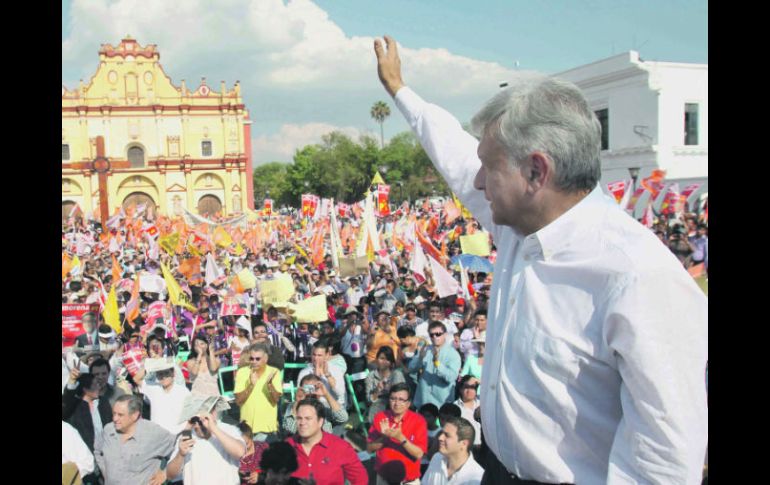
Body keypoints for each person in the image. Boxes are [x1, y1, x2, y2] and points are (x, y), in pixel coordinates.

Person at [374, 36, 708, 483]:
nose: (476, 179)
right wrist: (400, 89)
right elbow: (454, 155)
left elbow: (662, 460)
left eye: (489, 166)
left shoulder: (638, 278)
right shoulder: (519, 229)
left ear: (536, 171)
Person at [94, 394, 176, 485]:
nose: (115, 418)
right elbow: (97, 451)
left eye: (120, 415)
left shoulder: (152, 433)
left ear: (135, 415)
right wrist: (105, 472)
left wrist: (165, 473)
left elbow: (178, 446)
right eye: (114, 413)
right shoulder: (108, 430)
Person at [286, 398, 368, 484]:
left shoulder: (340, 447)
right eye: (299, 418)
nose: (302, 422)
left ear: (320, 422)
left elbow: (360, 478)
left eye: (308, 418)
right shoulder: (285, 447)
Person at [166, 397, 247, 485]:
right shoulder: (186, 435)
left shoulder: (229, 430)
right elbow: (170, 475)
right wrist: (180, 455)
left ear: (214, 412)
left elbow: (240, 452)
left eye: (206, 411)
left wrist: (213, 428)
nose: (201, 420)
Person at [368, 383, 428, 485]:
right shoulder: (380, 417)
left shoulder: (418, 421)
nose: (396, 403)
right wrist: (384, 438)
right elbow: (370, 448)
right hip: (383, 480)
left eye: (401, 400)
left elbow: (419, 454)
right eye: (393, 399)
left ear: (408, 403)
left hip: (408, 482)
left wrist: (401, 438)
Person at [408, 321, 462, 408]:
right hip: (423, 402)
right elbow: (411, 369)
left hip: (442, 405)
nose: (434, 337)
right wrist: (420, 358)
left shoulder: (453, 354)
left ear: (445, 334)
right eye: (431, 335)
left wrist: (437, 363)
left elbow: (451, 377)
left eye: (438, 334)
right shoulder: (425, 350)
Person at [234, 344, 283, 438]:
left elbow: (276, 400)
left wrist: (269, 385)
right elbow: (238, 401)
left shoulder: (274, 372)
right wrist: (251, 385)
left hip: (267, 429)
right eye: (251, 358)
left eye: (257, 359)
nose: (254, 362)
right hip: (246, 429)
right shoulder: (242, 372)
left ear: (265, 359)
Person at [422, 416, 485, 485]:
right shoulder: (436, 458)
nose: (440, 438)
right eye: (441, 433)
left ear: (464, 444)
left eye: (447, 435)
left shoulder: (477, 478)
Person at [133, 362, 191, 434]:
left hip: (176, 435)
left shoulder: (183, 392)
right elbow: (137, 378)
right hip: (157, 436)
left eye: (166, 373)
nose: (163, 377)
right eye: (160, 374)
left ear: (173, 373)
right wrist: (149, 363)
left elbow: (191, 414)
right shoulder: (153, 388)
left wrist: (184, 432)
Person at [282, 374, 349, 436]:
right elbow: (289, 430)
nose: (310, 393)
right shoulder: (292, 407)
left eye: (314, 388)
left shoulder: (325, 406)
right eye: (307, 388)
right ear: (301, 389)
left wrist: (326, 394)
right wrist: (297, 402)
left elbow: (343, 418)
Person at [62, 372, 112, 454]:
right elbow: (66, 401)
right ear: (85, 389)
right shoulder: (74, 407)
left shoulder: (103, 402)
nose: (98, 387)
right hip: (84, 454)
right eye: (95, 384)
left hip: (106, 452)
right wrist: (71, 381)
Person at [296, 341, 347, 409]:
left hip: (333, 406)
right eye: (314, 355)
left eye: (319, 355)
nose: (316, 358)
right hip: (312, 407)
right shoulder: (304, 372)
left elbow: (340, 393)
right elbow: (301, 394)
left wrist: (327, 375)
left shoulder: (336, 370)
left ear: (327, 355)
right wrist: (315, 378)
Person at [366, 346, 407, 423]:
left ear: (391, 362)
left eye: (387, 359)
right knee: (378, 405)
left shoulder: (396, 374)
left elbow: (403, 394)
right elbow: (369, 400)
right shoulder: (371, 376)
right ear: (376, 359)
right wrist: (377, 390)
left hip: (397, 403)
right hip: (380, 403)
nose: (384, 362)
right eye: (381, 358)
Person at [453, 376, 481, 447]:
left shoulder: (482, 405)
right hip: (465, 448)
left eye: (472, 387)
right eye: (466, 387)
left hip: (484, 448)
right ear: (460, 389)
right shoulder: (455, 407)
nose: (469, 390)